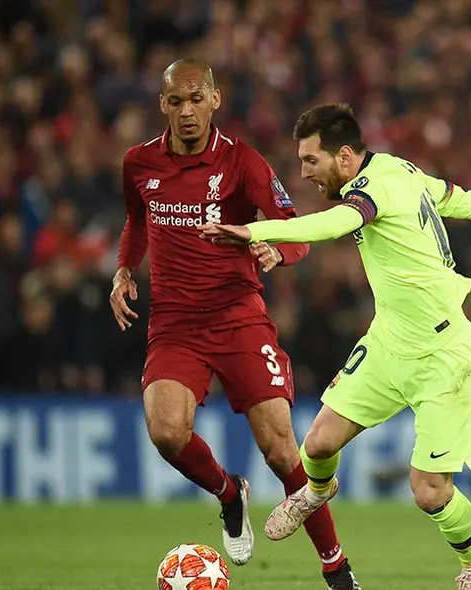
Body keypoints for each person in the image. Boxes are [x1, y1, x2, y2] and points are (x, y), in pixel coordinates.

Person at [199, 102, 471, 590]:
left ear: (346, 156)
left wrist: (254, 230)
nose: (305, 171)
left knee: (429, 491)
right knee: (317, 445)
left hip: (443, 355)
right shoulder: (399, 170)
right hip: (388, 342)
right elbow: (458, 198)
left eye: (312, 160)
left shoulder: (372, 189)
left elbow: (334, 225)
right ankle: (317, 490)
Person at [110, 59, 359, 590]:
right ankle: (229, 493)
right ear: (163, 105)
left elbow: (296, 228)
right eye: (176, 101)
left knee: (282, 449)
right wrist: (123, 269)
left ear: (215, 100)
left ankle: (337, 569)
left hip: (239, 316)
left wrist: (275, 249)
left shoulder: (243, 162)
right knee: (167, 433)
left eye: (197, 99)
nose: (187, 112)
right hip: (175, 323)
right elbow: (137, 219)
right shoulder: (138, 163)